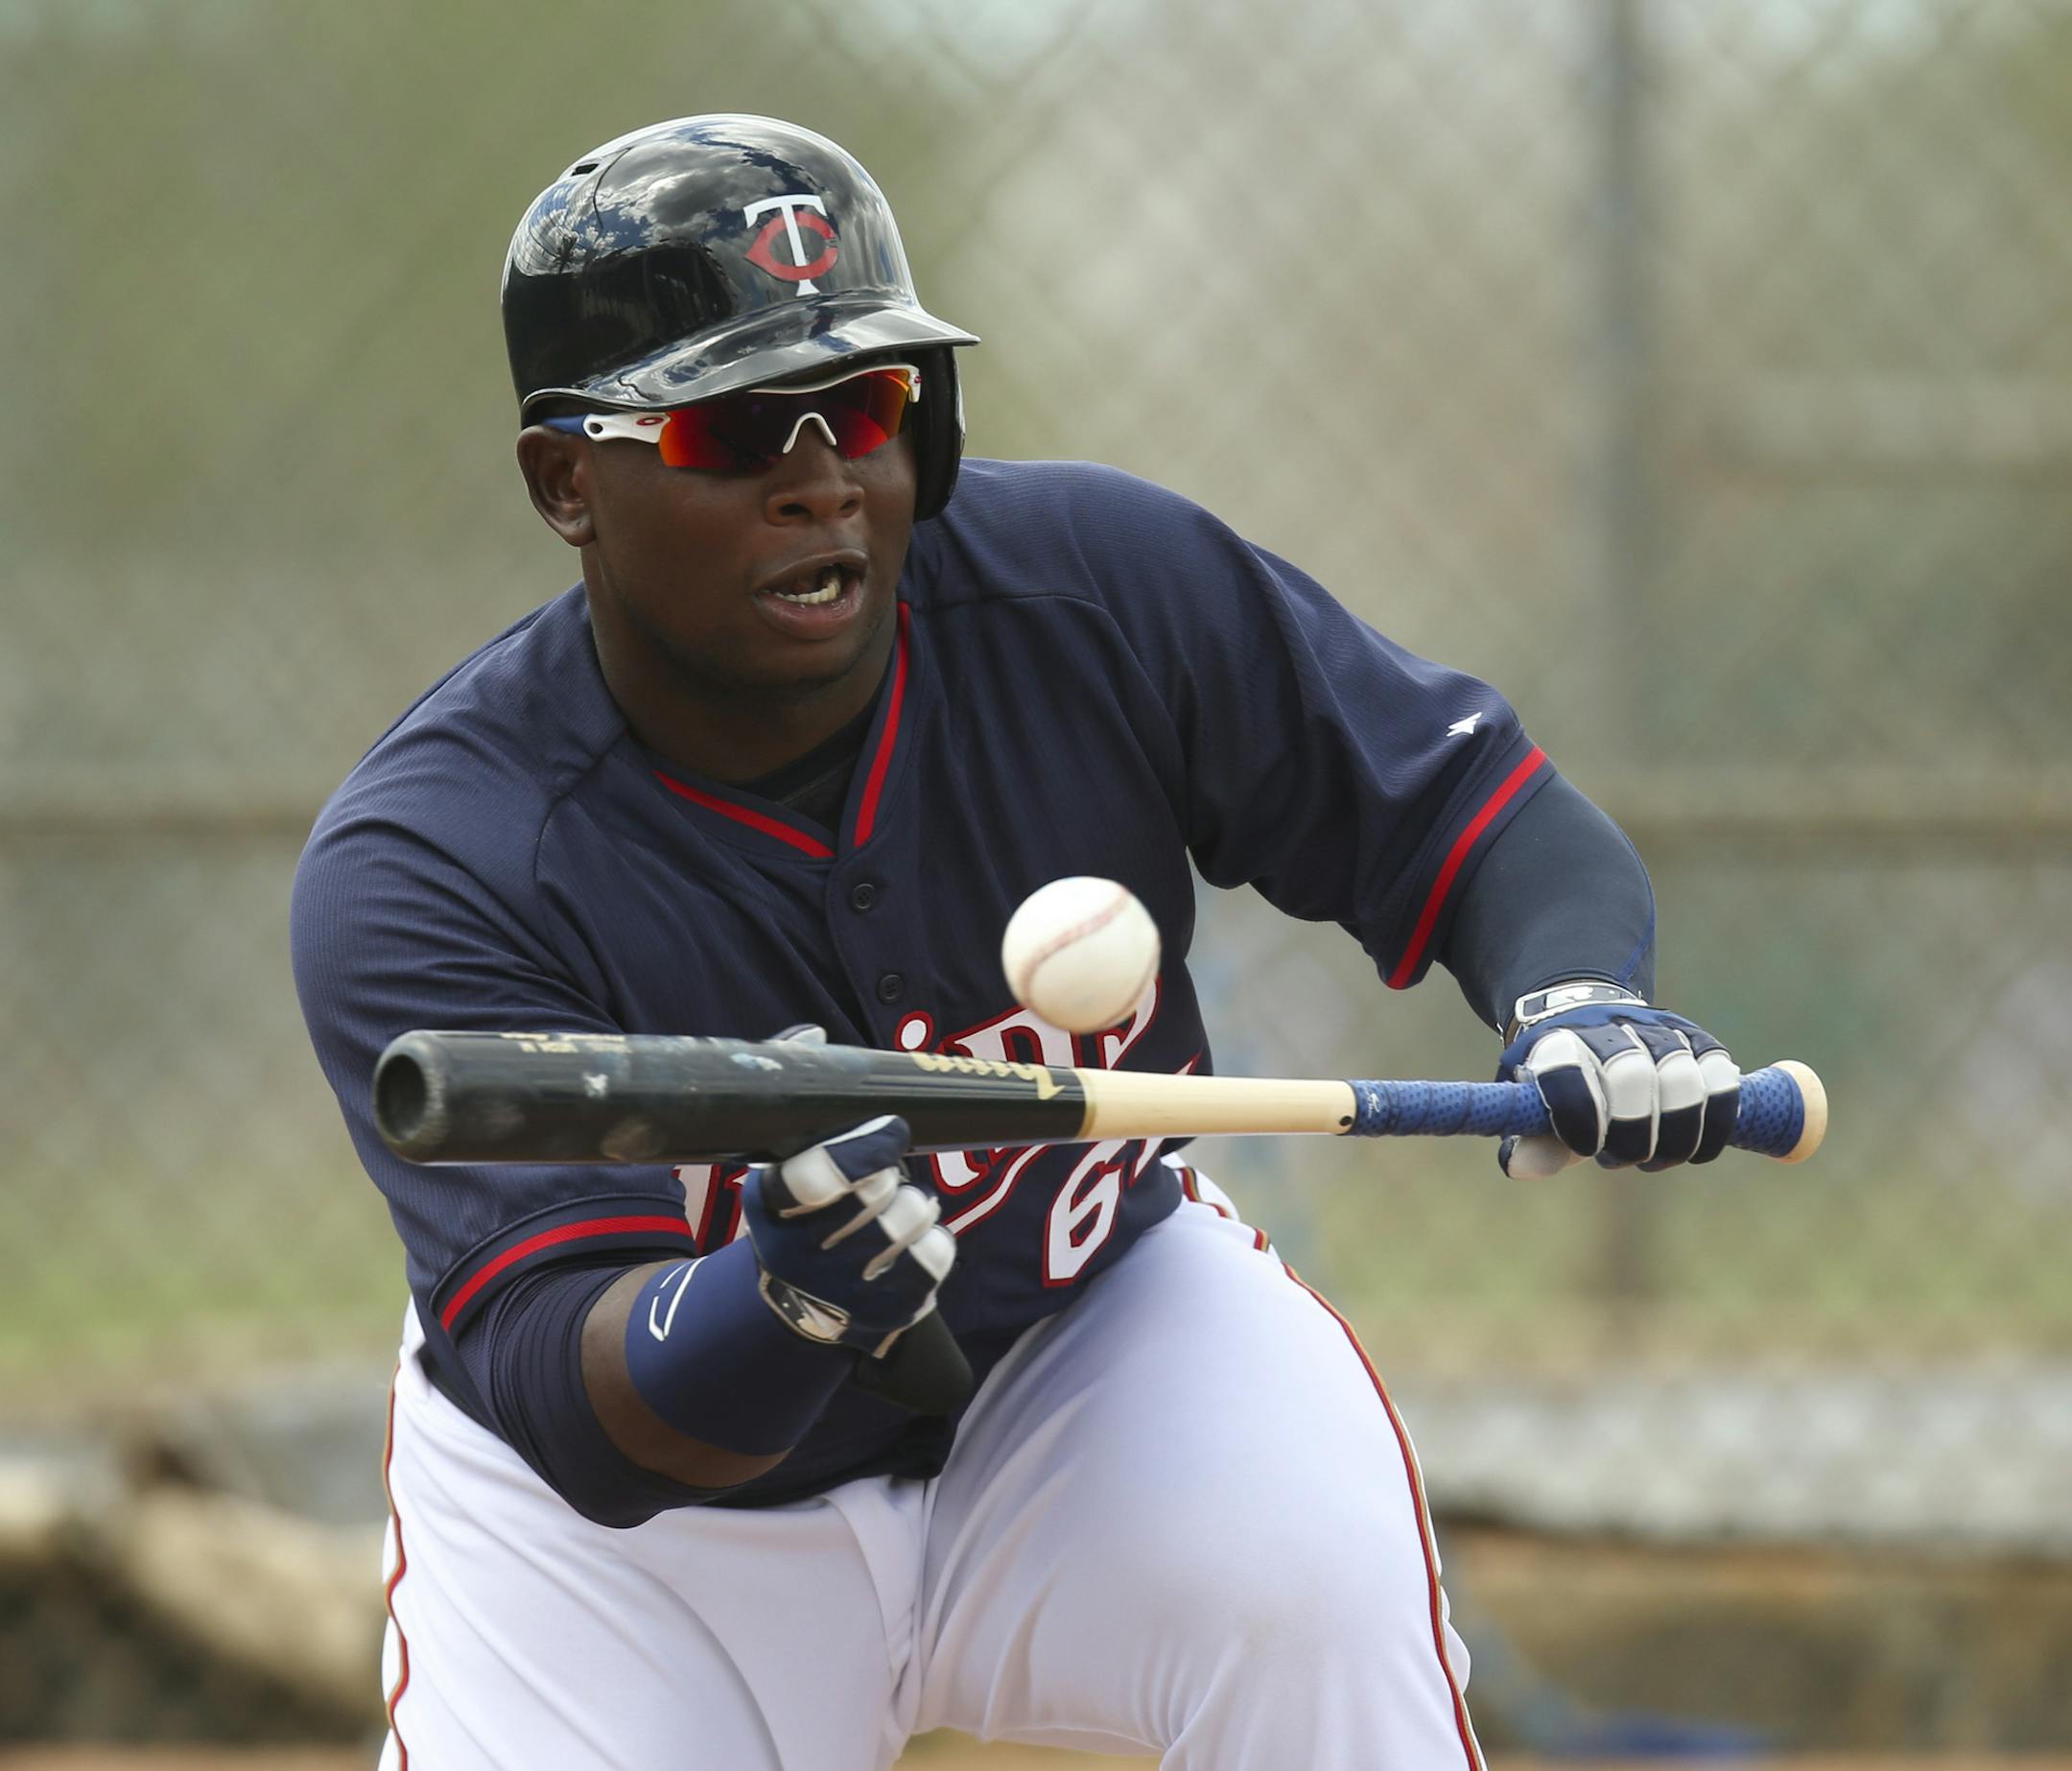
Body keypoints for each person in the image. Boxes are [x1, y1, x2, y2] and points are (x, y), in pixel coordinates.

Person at [293, 113, 1740, 1770]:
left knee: (1318, 1602)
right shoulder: (442, 857)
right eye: (732, 429)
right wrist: (778, 1301)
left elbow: (1469, 813)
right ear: (570, 481)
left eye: (865, 405)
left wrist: (1579, 997)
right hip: (648, 1549)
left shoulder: (1098, 594)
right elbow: (579, 1400)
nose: (821, 476)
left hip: (1085, 1347)